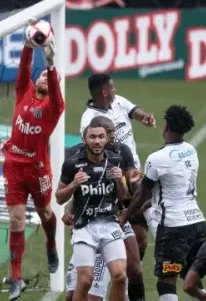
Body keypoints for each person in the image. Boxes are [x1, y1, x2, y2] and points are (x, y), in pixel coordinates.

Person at [1, 19, 64, 300]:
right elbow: (25, 67)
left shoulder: (53, 109)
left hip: (38, 171)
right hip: (13, 165)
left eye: (47, 79)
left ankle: (51, 243)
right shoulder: (22, 91)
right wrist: (29, 45)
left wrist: (51, 66)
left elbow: (53, 86)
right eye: (40, 76)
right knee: (15, 221)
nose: (40, 78)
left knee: (46, 215)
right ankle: (16, 278)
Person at [120, 105, 206, 301]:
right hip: (197, 225)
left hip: (174, 230)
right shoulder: (191, 150)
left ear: (166, 125)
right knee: (191, 278)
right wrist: (146, 207)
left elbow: (142, 193)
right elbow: (171, 188)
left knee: (166, 281)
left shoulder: (156, 159)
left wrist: (125, 216)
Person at [63, 116, 145, 301]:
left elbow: (131, 184)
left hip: (114, 219)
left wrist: (135, 180)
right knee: (76, 291)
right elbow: (80, 190)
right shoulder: (75, 155)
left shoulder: (120, 152)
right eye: (109, 132)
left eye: (110, 133)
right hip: (86, 223)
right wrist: (70, 209)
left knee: (131, 270)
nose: (112, 137)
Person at [80, 73, 157, 263]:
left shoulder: (119, 102)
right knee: (113, 237)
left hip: (133, 171)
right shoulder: (89, 119)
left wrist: (145, 117)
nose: (115, 90)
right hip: (110, 180)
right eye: (112, 87)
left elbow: (135, 112)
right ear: (104, 92)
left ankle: (132, 284)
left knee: (141, 240)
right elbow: (91, 150)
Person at [55, 122, 127, 300]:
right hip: (84, 227)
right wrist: (73, 184)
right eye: (92, 137)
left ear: (106, 139)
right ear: (84, 139)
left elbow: (123, 195)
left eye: (101, 137)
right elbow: (59, 197)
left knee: (120, 276)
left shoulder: (116, 161)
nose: (97, 141)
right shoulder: (72, 165)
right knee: (85, 280)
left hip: (109, 225)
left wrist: (119, 181)